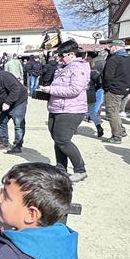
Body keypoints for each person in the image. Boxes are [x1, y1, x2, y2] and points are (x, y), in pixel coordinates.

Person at [35, 40, 90, 182]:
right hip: (57, 107)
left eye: (62, 55)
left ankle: (80, 170)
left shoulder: (78, 68)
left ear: (72, 54)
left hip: (71, 109)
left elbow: (74, 89)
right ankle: (61, 167)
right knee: (56, 138)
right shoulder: (63, 67)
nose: (59, 58)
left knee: (63, 139)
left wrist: (51, 90)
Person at [101, 39, 130, 143]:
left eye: (111, 47)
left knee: (112, 112)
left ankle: (117, 136)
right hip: (127, 89)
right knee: (116, 111)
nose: (110, 49)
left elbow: (108, 76)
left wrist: (107, 88)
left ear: (115, 47)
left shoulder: (114, 59)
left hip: (114, 89)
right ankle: (121, 130)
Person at [0, 67, 29, 154]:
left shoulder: (4, 76)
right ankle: (4, 142)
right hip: (4, 104)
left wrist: (8, 102)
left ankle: (17, 145)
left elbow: (16, 88)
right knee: (0, 121)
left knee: (18, 124)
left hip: (18, 101)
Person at [86, 52, 105, 137]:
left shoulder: (81, 71)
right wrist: (94, 89)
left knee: (79, 112)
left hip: (81, 94)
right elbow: (100, 84)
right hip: (91, 93)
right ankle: (98, 126)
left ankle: (73, 128)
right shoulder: (94, 73)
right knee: (92, 113)